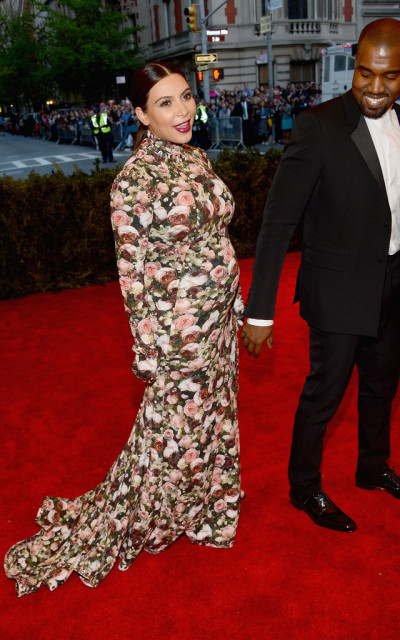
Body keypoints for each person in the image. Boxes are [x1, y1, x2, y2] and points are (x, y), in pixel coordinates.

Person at [4, 61, 244, 597]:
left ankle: (207, 509)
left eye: (185, 97)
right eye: (165, 103)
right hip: (179, 335)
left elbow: (217, 234)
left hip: (219, 320)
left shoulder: (196, 158)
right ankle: (152, 516)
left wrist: (234, 300)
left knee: (213, 422)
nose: (183, 111)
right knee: (173, 435)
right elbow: (132, 274)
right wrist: (149, 350)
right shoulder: (132, 181)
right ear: (139, 114)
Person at [240, 18, 400, 533]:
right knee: (326, 393)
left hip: (394, 286)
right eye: (364, 72)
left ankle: (373, 468)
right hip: (338, 290)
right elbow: (279, 222)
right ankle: (304, 488)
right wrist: (259, 309)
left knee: (381, 388)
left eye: (387, 77)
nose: (373, 87)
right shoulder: (317, 126)